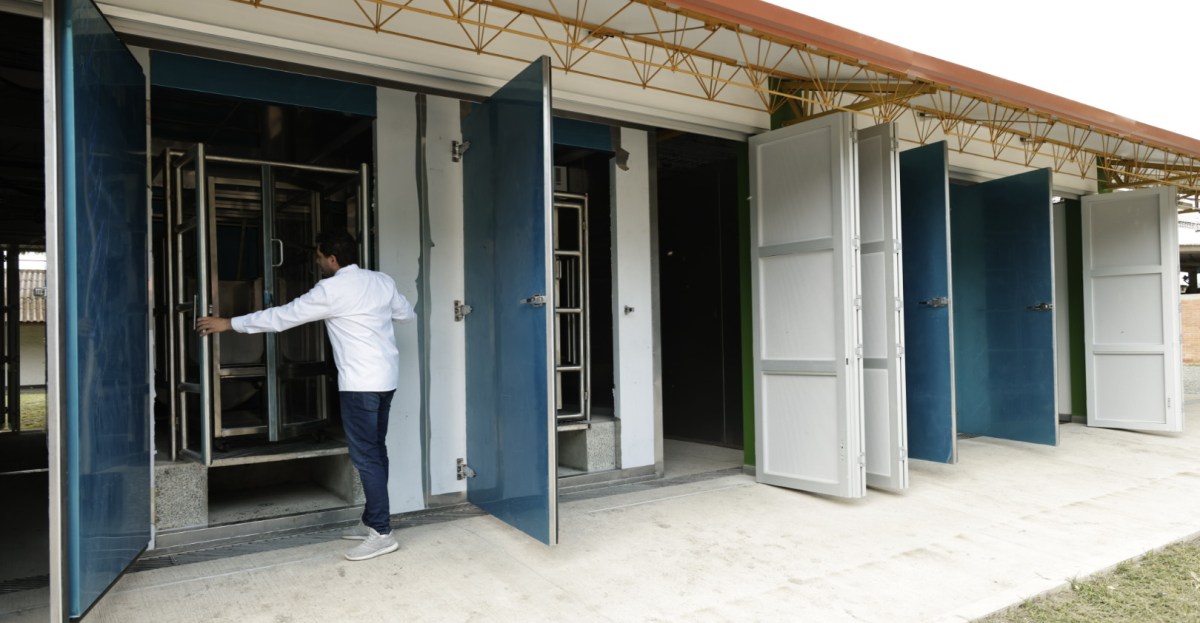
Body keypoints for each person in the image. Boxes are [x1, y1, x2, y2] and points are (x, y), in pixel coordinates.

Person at [196, 230, 414, 561]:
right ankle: (373, 520)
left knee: (366, 456)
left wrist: (229, 322)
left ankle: (382, 532)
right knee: (376, 451)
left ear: (332, 259)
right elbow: (405, 314)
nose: (315, 259)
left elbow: (283, 317)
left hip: (359, 384)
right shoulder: (381, 281)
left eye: (318, 255)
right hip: (386, 379)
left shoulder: (331, 289)